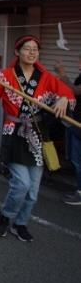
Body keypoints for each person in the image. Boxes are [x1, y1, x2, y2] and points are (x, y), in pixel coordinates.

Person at [0, 36, 74, 241]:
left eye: (35, 49)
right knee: (21, 184)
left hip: (37, 135)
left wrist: (63, 98)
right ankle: (4, 217)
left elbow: (67, 93)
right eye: (27, 49)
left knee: (33, 190)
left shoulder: (45, 77)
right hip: (14, 133)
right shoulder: (6, 76)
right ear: (17, 52)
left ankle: (20, 224)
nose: (32, 52)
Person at [56, 56, 81, 205]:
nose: (78, 63)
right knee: (74, 159)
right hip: (74, 124)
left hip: (78, 127)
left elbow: (76, 91)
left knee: (78, 161)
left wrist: (62, 73)